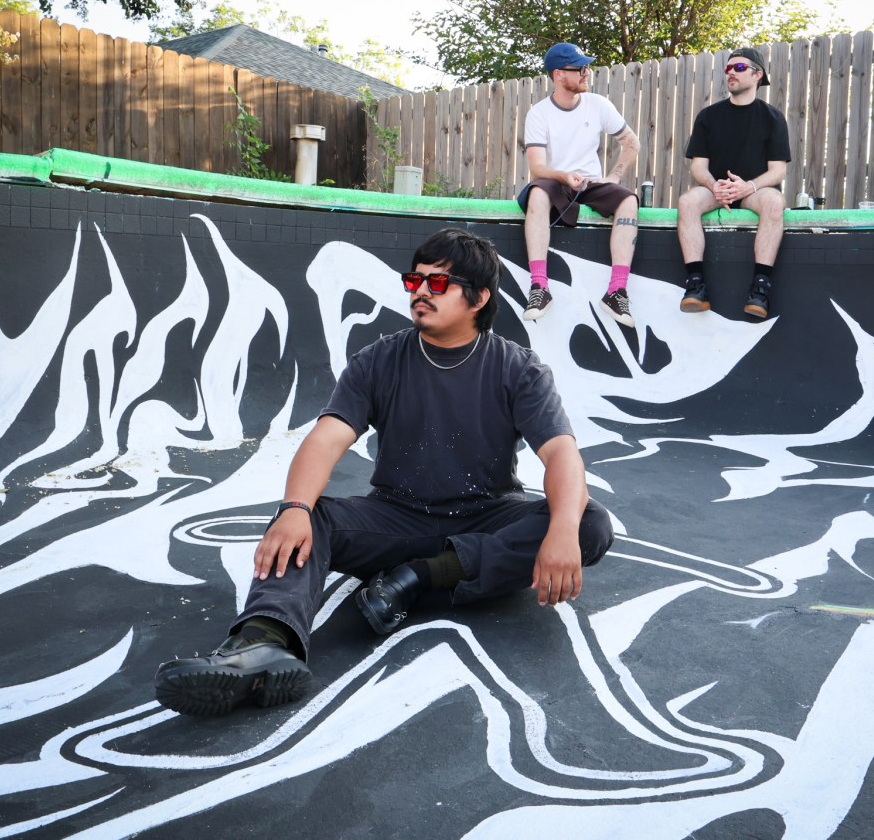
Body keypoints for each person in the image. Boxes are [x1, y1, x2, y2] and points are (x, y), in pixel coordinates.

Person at [154, 228, 615, 717]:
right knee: (306, 520)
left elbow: (561, 454)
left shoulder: (518, 368)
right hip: (396, 519)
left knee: (588, 522)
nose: (420, 291)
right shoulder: (379, 360)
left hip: (487, 518)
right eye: (415, 280)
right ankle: (262, 643)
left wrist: (562, 529)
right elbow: (327, 438)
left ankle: (422, 576)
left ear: (479, 297)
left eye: (439, 283)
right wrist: (294, 507)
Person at [517, 42, 642, 327]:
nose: (587, 73)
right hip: (555, 181)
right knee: (537, 194)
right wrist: (564, 176)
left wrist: (614, 177)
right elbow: (537, 169)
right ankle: (539, 287)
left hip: (590, 183)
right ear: (559, 74)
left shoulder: (598, 105)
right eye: (580, 68)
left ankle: (616, 291)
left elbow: (632, 143)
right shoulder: (538, 113)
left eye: (587, 67)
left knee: (629, 200)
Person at [676, 47, 791, 319]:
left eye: (739, 68)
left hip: (754, 192)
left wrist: (748, 187)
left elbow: (778, 171)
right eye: (728, 68)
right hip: (716, 190)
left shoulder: (773, 118)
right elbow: (698, 166)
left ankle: (760, 289)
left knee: (775, 202)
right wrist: (714, 186)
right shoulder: (708, 116)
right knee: (687, 201)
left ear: (758, 75)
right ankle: (695, 286)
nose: (731, 72)